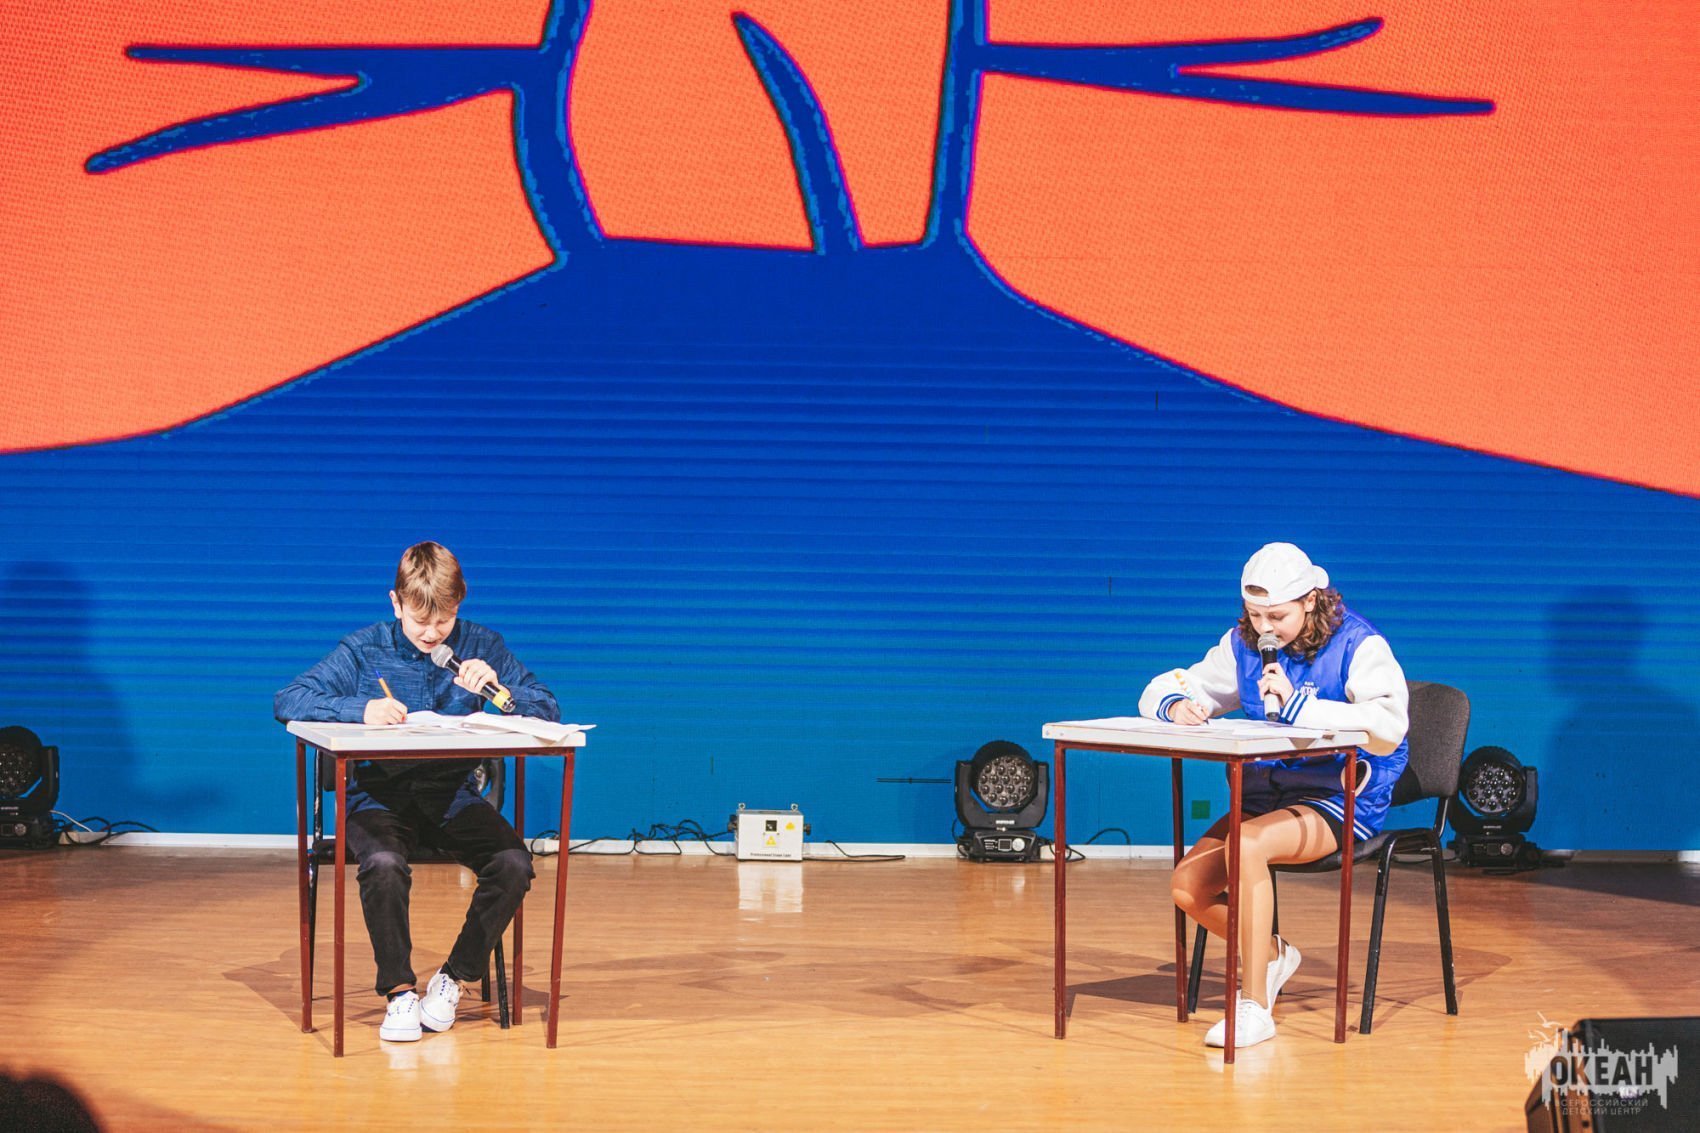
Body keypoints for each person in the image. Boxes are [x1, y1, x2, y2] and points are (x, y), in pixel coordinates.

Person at [275, 541, 559, 1042]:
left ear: (459, 606)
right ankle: (400, 993)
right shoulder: (363, 650)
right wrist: (360, 710)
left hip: (452, 795)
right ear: (396, 603)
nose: (431, 634)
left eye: (443, 622)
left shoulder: (482, 644)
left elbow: (548, 707)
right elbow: (289, 698)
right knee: (384, 864)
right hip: (378, 798)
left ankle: (453, 977)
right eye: (419, 621)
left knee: (513, 863)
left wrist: (501, 692)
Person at [1139, 542, 1408, 1049]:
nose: (1264, 628)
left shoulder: (1359, 645)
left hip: (1340, 799)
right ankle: (1273, 954)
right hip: (1267, 797)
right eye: (1255, 614)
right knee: (1188, 888)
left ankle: (1255, 1005)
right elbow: (1174, 685)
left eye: (1277, 617)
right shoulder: (1242, 644)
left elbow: (1389, 726)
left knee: (1247, 844)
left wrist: (1303, 706)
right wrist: (1175, 705)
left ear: (1311, 600)